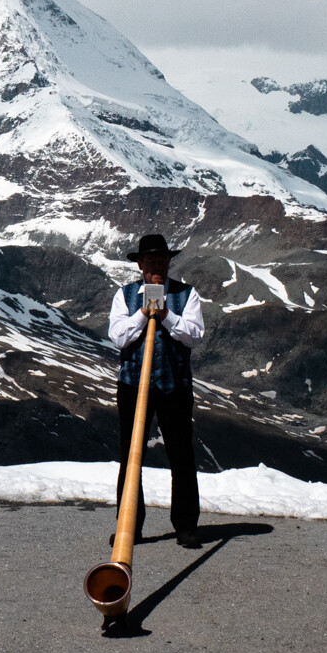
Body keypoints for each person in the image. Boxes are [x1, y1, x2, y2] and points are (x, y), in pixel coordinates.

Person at [108, 234, 208, 549]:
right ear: (139, 264)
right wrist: (143, 313)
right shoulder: (124, 296)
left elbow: (194, 335)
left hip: (175, 386)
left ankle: (186, 526)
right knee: (130, 455)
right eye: (151, 261)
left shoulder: (187, 295)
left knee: (181, 454)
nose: (157, 267)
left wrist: (165, 314)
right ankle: (129, 527)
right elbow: (118, 337)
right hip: (133, 386)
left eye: (162, 261)